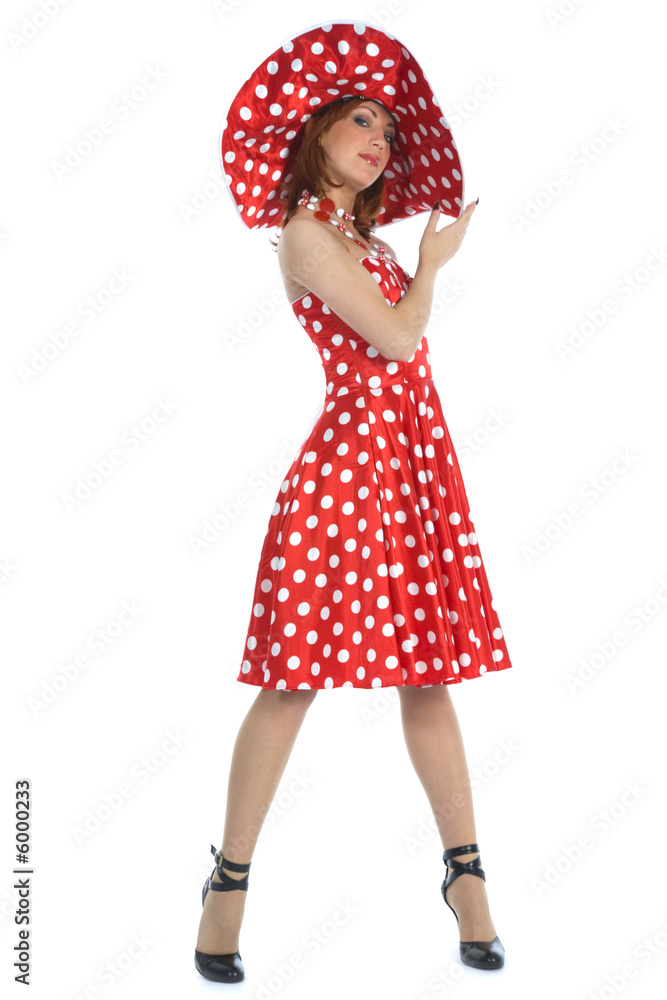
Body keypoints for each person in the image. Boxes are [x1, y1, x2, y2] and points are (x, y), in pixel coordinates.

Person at [195, 20, 514, 982]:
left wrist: (407, 258)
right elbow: (394, 342)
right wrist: (430, 268)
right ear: (319, 130)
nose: (380, 137)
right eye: (361, 119)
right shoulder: (304, 233)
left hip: (411, 467)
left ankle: (467, 881)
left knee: (429, 671)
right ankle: (227, 886)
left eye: (387, 127)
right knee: (293, 678)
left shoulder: (358, 235)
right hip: (345, 477)